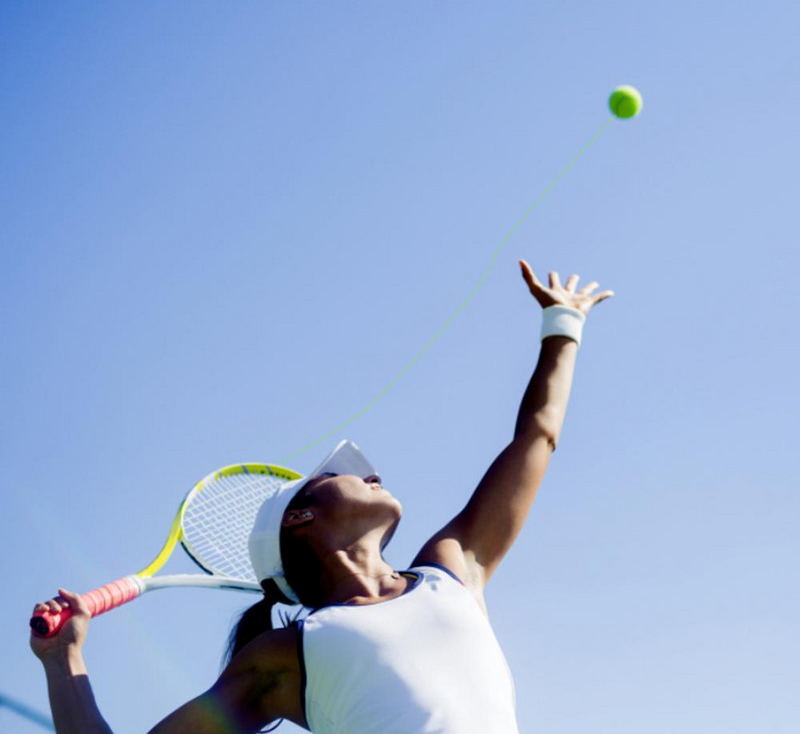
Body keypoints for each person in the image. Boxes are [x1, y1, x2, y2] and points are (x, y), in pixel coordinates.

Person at [31, 262, 614, 733]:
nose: (371, 473)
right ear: (301, 516)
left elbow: (537, 436)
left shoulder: (454, 568)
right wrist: (65, 661)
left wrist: (563, 324)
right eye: (340, 472)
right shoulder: (286, 658)